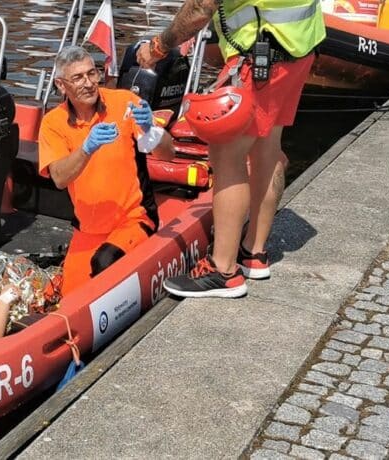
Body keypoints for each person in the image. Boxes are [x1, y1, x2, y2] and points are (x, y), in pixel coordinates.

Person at [136, 0, 325, 298]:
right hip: (299, 46)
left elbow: (200, 8)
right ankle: (254, 253)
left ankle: (222, 270)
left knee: (226, 154)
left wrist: (159, 46)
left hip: (261, 54)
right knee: (267, 147)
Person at [38, 45, 175, 295]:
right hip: (88, 228)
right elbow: (58, 178)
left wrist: (152, 131)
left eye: (92, 73)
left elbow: (169, 153)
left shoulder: (124, 102)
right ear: (61, 84)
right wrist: (86, 148)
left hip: (134, 219)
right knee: (67, 298)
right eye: (78, 77)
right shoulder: (52, 123)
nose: (88, 83)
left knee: (104, 263)